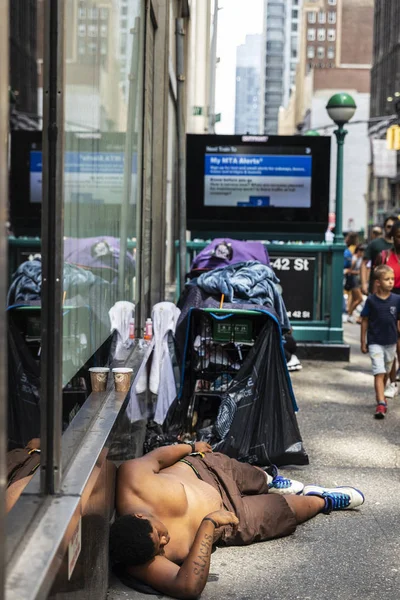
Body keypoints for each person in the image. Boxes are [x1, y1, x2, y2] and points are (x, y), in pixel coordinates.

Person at [110, 443, 365, 599]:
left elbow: (157, 457)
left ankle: (271, 482)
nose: (165, 541)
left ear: (140, 515)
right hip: (229, 519)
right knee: (287, 511)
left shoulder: (131, 479)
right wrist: (208, 525)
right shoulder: (141, 557)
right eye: (160, 545)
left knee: (256, 477)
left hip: (208, 471)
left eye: (159, 534)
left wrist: (191, 446)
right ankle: (324, 499)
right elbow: (188, 588)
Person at [360, 265, 400, 418]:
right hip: (375, 342)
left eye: (392, 279)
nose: (391, 282)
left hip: (391, 342)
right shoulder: (371, 301)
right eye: (387, 279)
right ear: (377, 282)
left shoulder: (397, 300)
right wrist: (363, 342)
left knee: (385, 371)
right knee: (379, 371)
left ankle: (382, 395)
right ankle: (381, 403)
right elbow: (364, 320)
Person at [375, 219, 400, 386]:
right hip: (390, 300)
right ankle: (391, 381)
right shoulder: (385, 255)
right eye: (398, 236)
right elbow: (375, 279)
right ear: (393, 237)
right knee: (392, 340)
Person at [361, 215, 397, 295]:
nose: (391, 229)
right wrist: (364, 284)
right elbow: (364, 263)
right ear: (384, 227)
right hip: (378, 288)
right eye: (389, 226)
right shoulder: (375, 244)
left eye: (393, 227)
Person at [346, 244, 366, 323]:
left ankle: (350, 314)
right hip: (353, 280)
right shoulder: (354, 258)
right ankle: (349, 313)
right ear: (359, 251)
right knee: (359, 299)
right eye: (362, 251)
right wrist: (358, 272)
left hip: (356, 280)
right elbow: (349, 271)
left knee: (354, 298)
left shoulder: (360, 259)